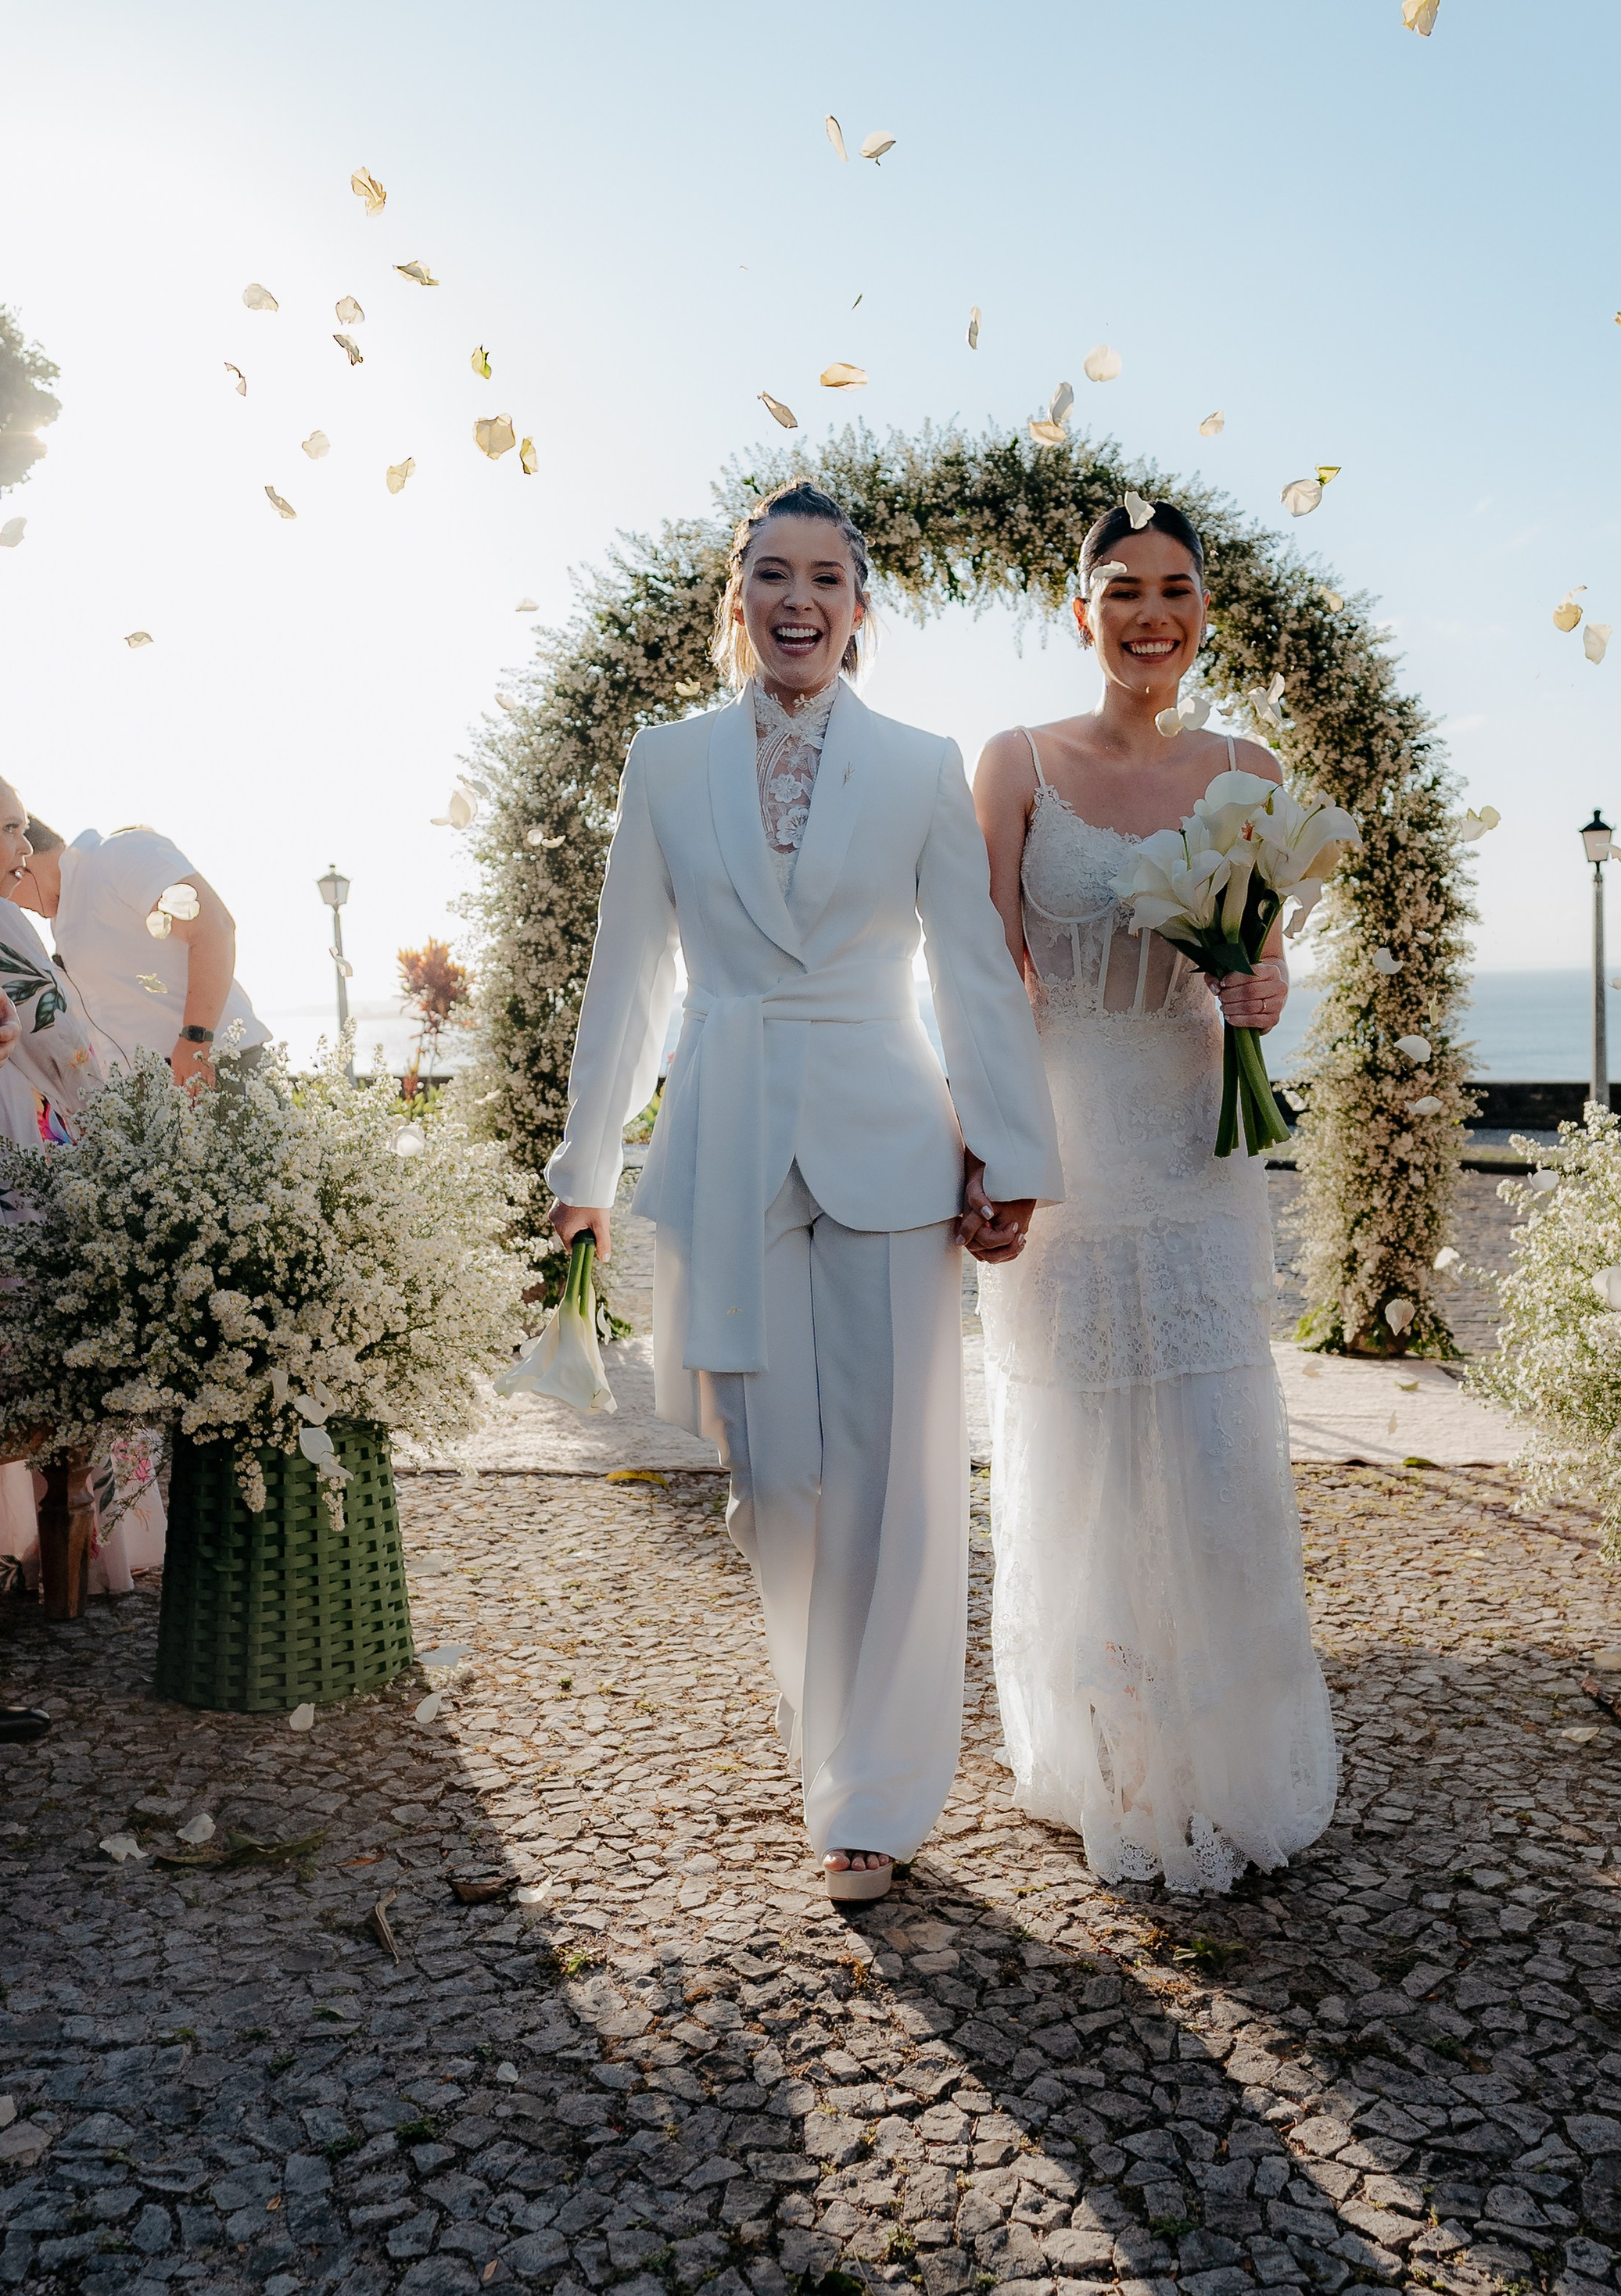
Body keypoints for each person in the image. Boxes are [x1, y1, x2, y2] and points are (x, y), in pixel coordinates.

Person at [545, 480, 1063, 1906]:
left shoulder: (917, 764)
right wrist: (583, 1170)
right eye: (772, 574)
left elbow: (968, 969)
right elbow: (629, 977)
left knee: (896, 1475)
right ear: (738, 604)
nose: (799, 599)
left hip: (890, 1142)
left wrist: (1009, 1152)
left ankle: (870, 1800)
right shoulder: (666, 761)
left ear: (858, 609)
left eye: (826, 577)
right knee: (777, 1480)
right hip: (721, 1141)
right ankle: (824, 1734)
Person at [970, 500, 1340, 1894]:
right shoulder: (1013, 764)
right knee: (1078, 1451)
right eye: (1120, 590)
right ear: (1083, 611)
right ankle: (1107, 1750)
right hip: (1063, 1152)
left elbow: (1263, 966)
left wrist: (1265, 988)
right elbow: (977, 978)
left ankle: (1225, 1754)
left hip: (1198, 1145)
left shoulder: (1249, 769)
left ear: (1203, 609)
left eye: (1174, 589)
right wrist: (984, 1151)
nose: (1148, 614)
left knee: (1204, 1447)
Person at [0, 779, 165, 1597]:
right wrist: (118, 1121)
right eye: (8, 830)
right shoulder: (6, 922)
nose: (21, 850)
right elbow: (63, 1037)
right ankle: (90, 1544)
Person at [5, 812, 267, 1090]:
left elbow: (213, 927)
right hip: (154, 1088)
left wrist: (196, 1040)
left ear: (23, 860)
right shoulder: (63, 920)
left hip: (215, 1063)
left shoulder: (120, 853)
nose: (12, 902)